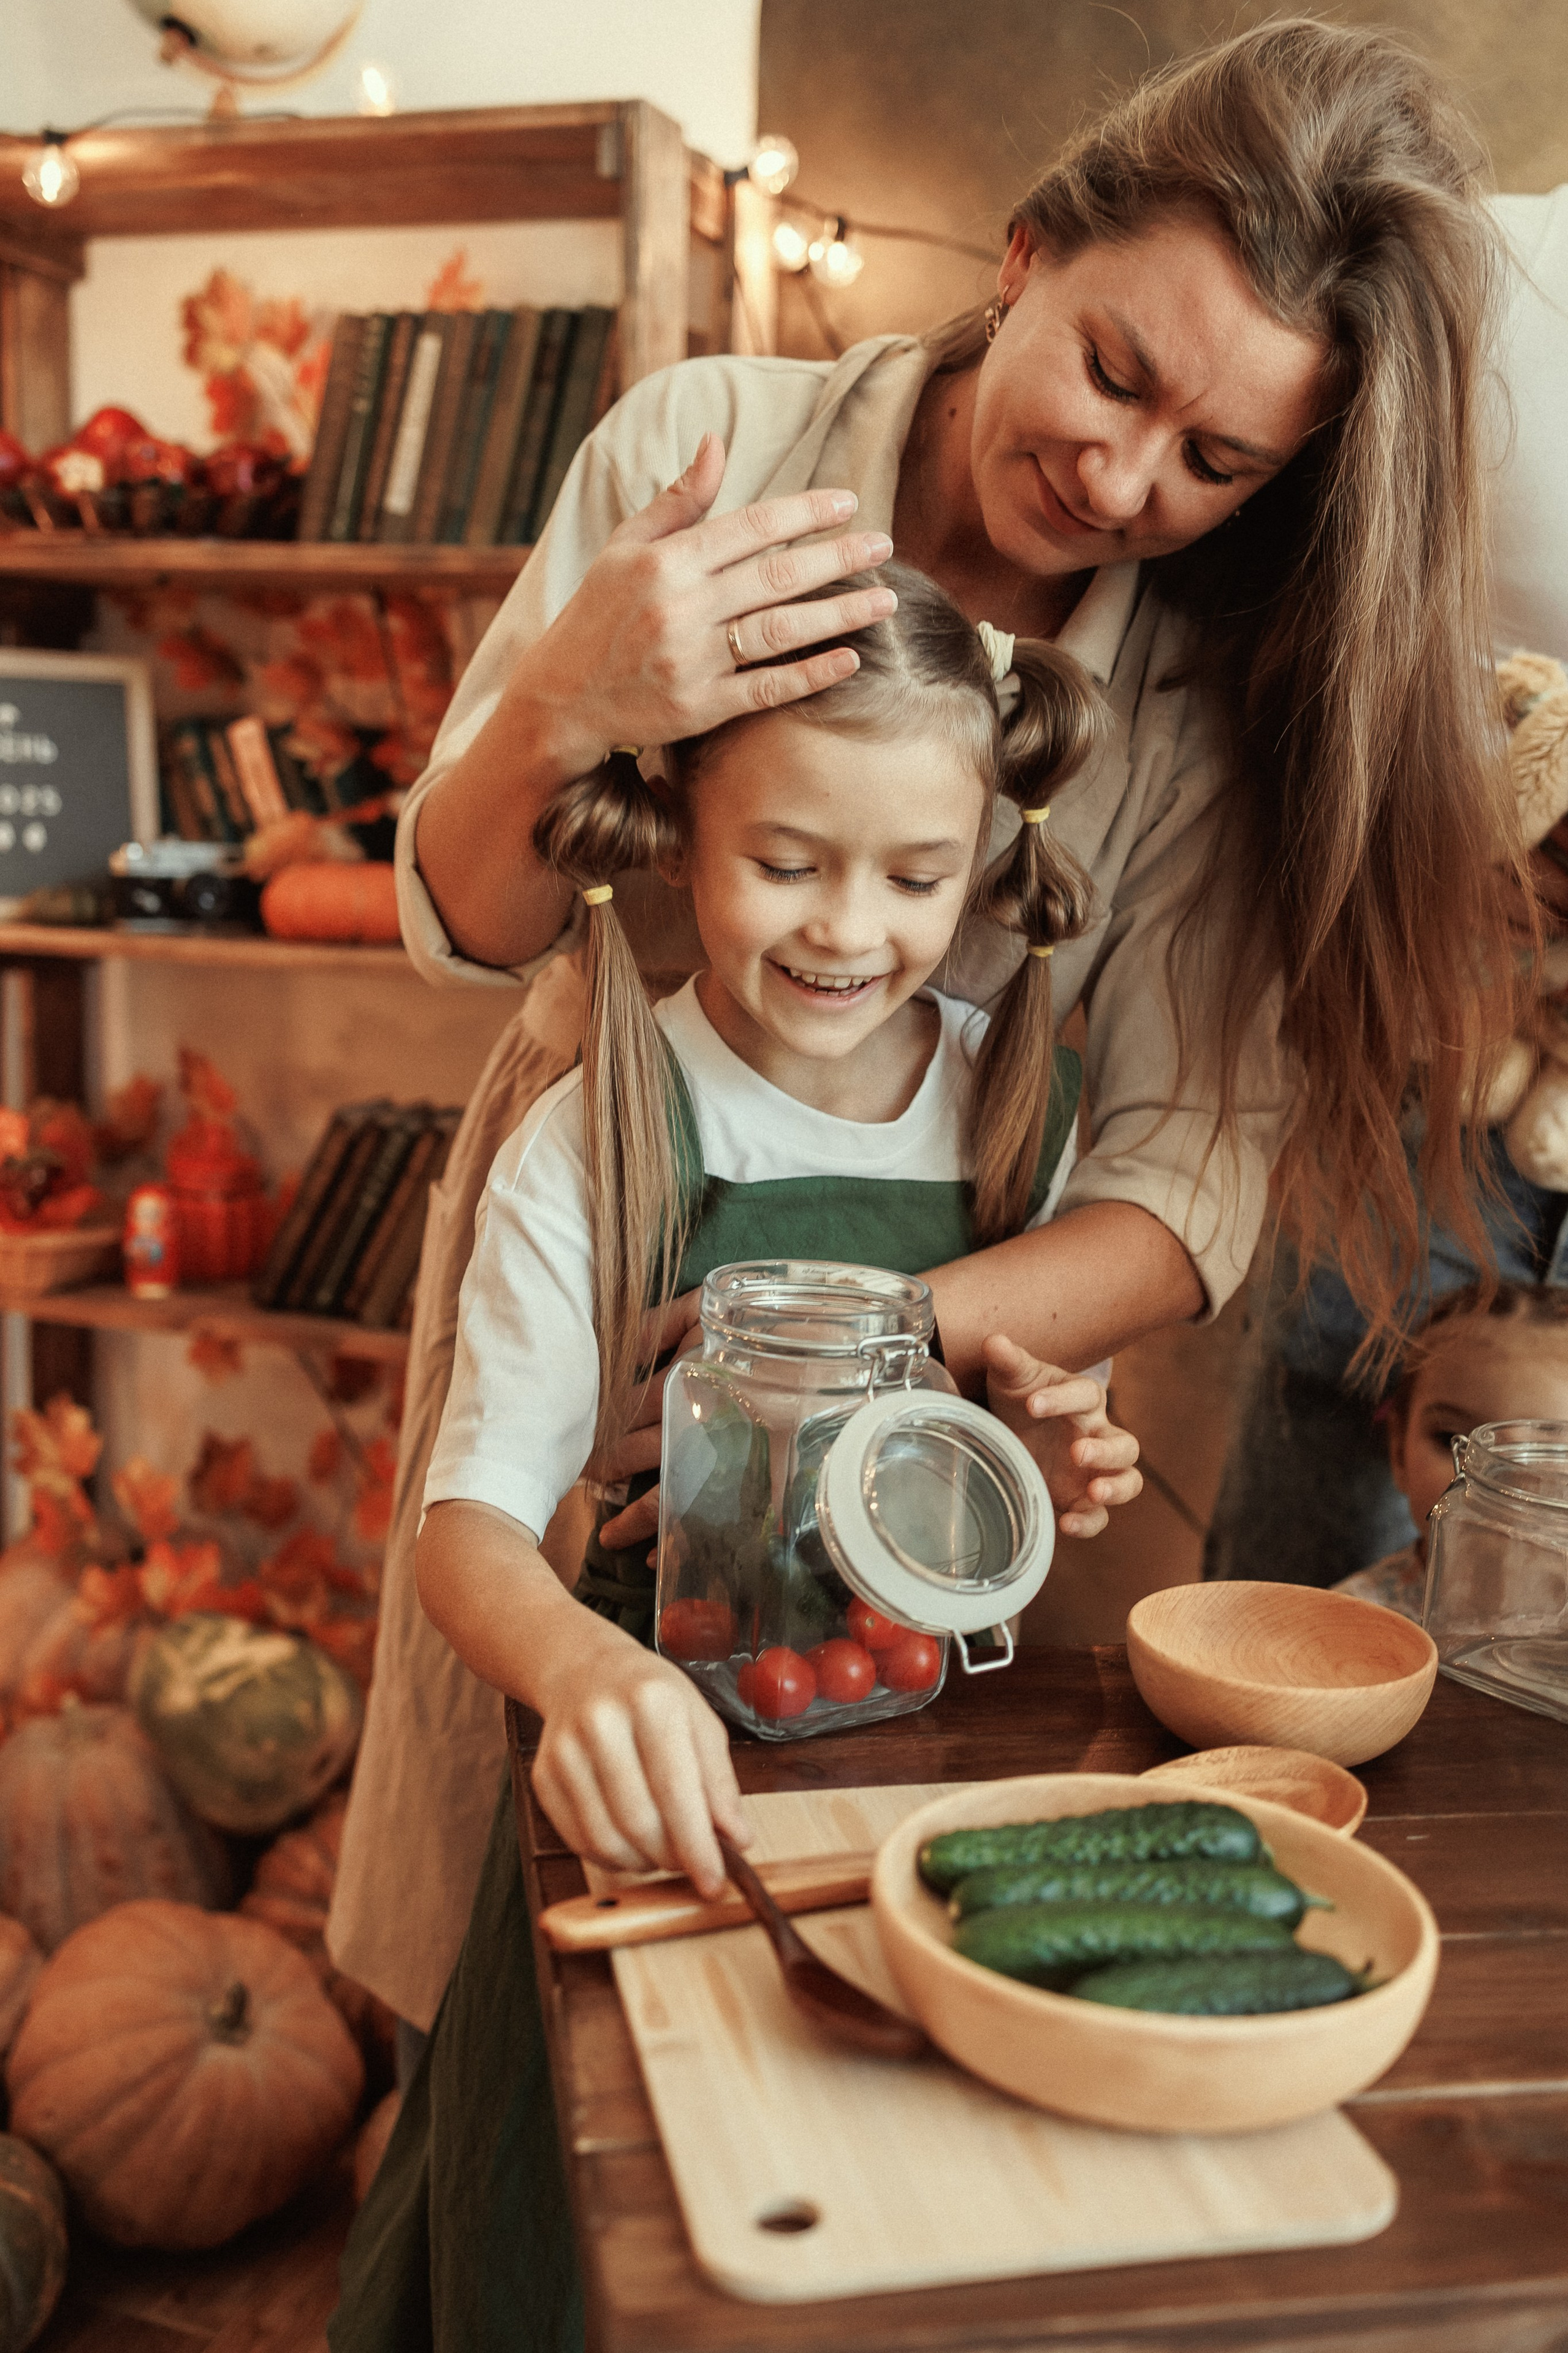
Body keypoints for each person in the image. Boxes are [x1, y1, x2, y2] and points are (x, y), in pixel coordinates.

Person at [327, 17, 1526, 2062]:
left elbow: (1181, 1181)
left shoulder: (1211, 692)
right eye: (1111, 371)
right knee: (514, 1911)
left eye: (1214, 459)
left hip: (935, 1388)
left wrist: (809, 1370)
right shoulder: (705, 438)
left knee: (843, 1916)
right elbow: (469, 927)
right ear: (1021, 252)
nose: (1124, 476)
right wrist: (570, 696)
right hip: (603, 1246)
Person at [330, 570, 1144, 2350]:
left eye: (917, 878)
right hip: (659, 1769)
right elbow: (465, 1524)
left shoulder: (1020, 1100)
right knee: (612, 2231)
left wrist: (1048, 1457)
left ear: (984, 862)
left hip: (935, 1753)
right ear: (676, 827)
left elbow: (982, 1442)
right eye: (789, 860)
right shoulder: (603, 1122)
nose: (853, 928)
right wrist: (583, 1664)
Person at [1335, 1282, 1568, 1619]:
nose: (1496, 1484)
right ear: (1399, 1451)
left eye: (1539, 1452)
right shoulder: (1352, 1624)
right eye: (1451, 1439)